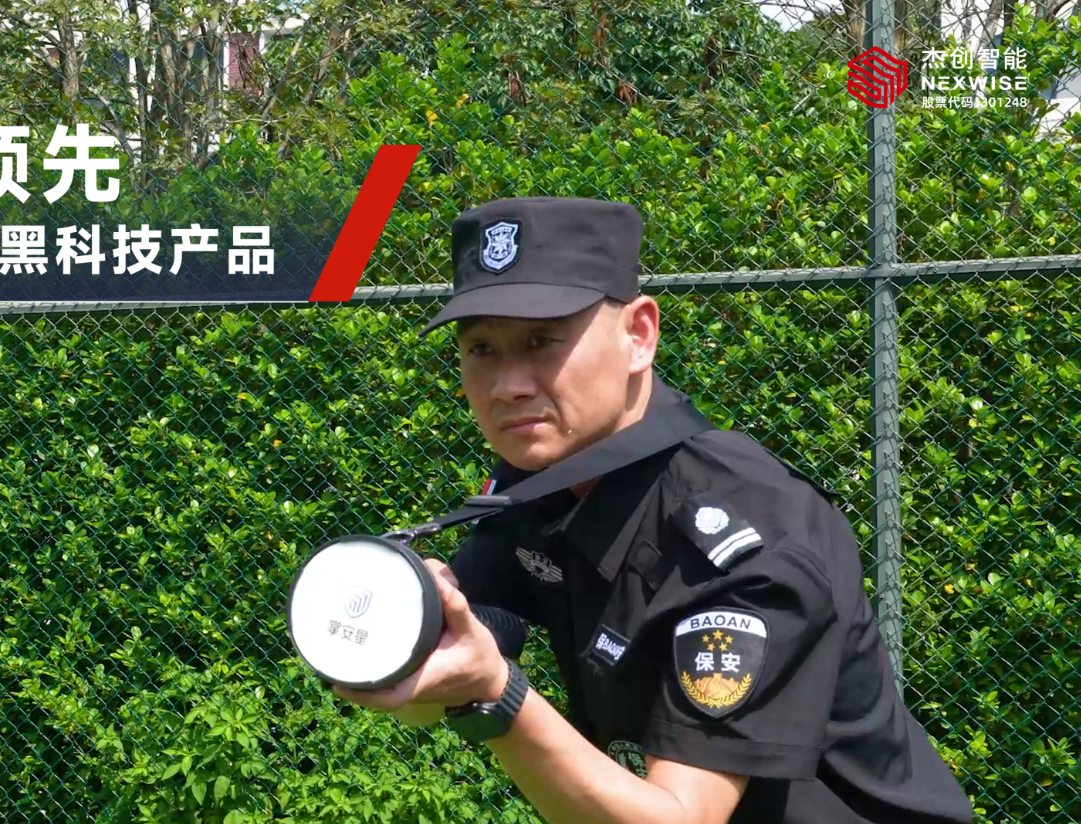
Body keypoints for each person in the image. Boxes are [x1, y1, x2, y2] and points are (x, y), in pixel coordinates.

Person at [330, 197, 975, 824]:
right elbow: (454, 659)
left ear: (638, 335)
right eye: (482, 350)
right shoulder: (537, 486)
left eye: (542, 340)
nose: (508, 386)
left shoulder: (749, 536)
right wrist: (407, 644)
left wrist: (494, 694)